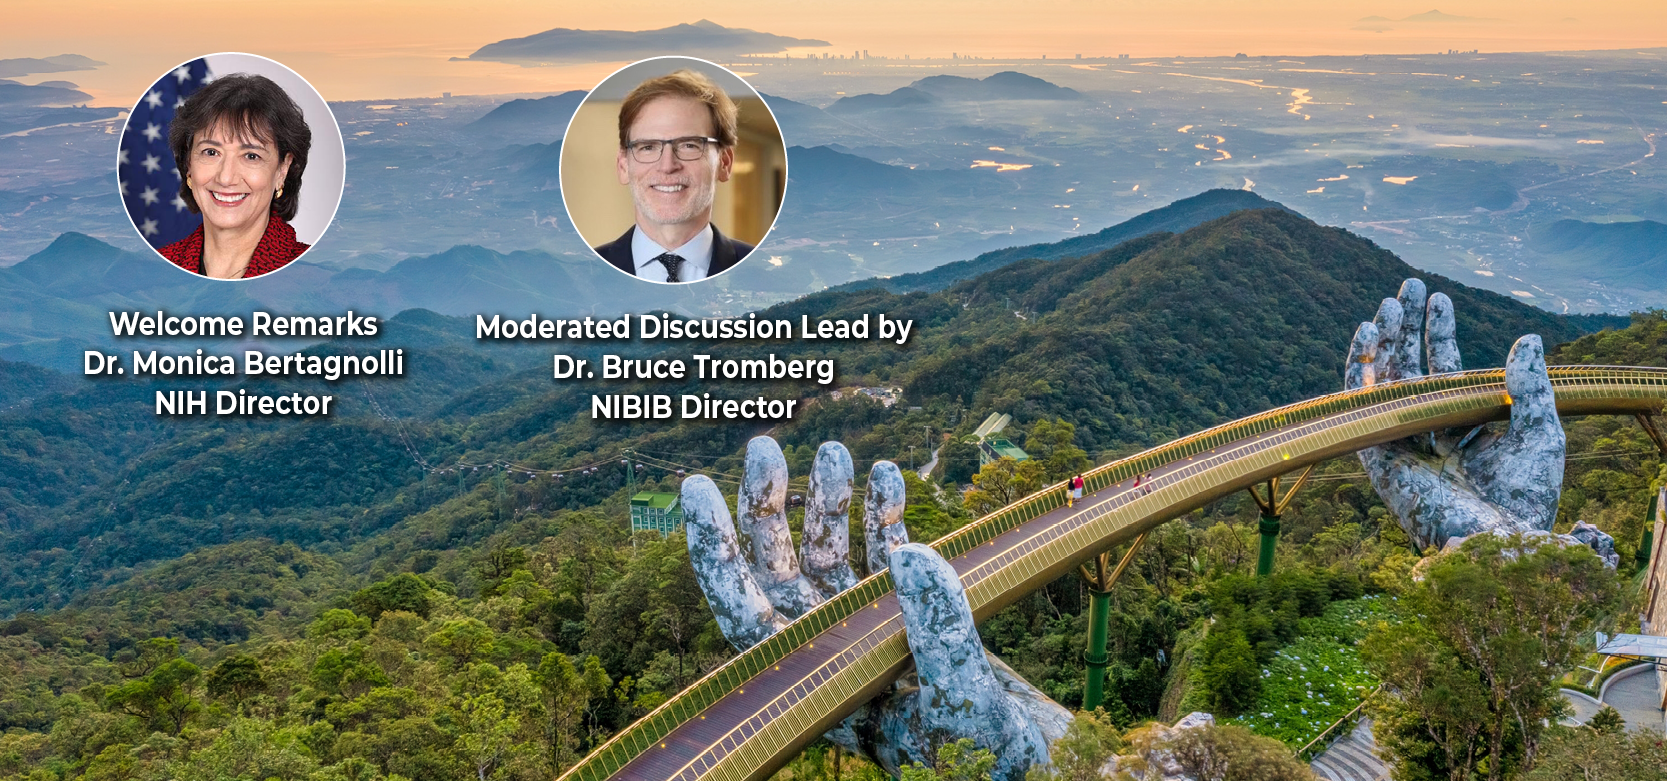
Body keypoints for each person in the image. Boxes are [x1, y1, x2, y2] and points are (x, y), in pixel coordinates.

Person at [592, 69, 753, 283]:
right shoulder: (583, 272)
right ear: (623, 166)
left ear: (724, 163)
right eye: (648, 147)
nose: (667, 166)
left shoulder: (762, 270)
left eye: (689, 145)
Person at [159, 73, 312, 279]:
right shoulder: (156, 267)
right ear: (189, 165)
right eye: (211, 152)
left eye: (251, 156)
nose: (226, 177)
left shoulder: (312, 273)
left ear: (282, 170)